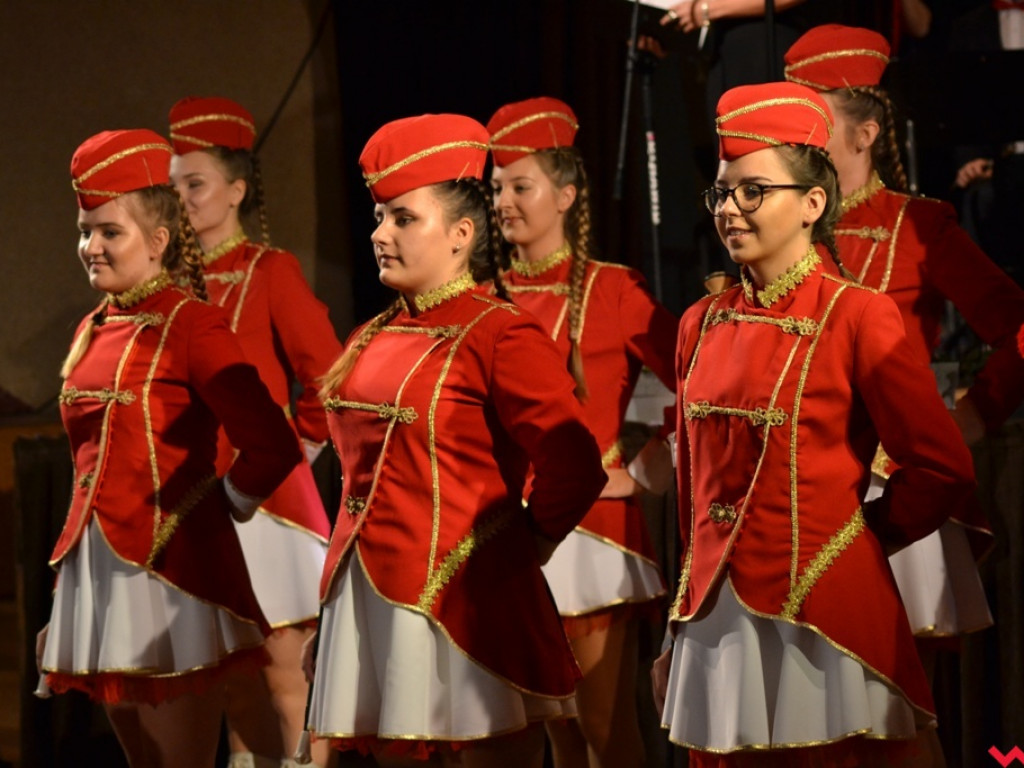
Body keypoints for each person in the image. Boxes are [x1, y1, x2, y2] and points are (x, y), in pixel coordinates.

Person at [651, 82, 977, 766]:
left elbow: (941, 469)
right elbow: (693, 503)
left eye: (753, 192)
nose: (730, 210)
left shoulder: (858, 315)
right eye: (722, 193)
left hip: (825, 618)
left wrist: (856, 541)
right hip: (715, 622)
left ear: (812, 203)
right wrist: (675, 630)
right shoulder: (698, 323)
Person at [300, 113, 607, 768]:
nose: (380, 234)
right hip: (371, 599)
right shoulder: (368, 336)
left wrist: (524, 547)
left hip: (470, 604)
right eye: (379, 217)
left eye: (403, 218)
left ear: (462, 234)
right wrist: (334, 614)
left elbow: (575, 464)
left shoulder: (499, 333)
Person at [36, 129, 301, 767]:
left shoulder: (192, 324)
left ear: (158, 240)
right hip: (100, 575)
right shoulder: (91, 327)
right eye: (85, 232)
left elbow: (271, 442)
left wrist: (223, 503)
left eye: (110, 232)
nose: (91, 247)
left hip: (171, 576)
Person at [784, 24, 1021, 646]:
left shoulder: (918, 225)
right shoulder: (780, 230)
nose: (795, 138)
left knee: (901, 691)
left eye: (813, 121)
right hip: (796, 490)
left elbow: (1018, 328)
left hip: (891, 490)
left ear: (864, 134)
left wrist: (977, 413)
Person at [487, 96, 677, 768]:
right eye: (496, 188)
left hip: (591, 531)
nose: (504, 202)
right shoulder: (484, 296)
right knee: (550, 730)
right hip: (505, 527)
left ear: (566, 195)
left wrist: (646, 468)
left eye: (521, 186)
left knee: (601, 726)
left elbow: (704, 380)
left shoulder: (613, 289)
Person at [168, 95, 341, 768]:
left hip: (264, 506)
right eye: (174, 186)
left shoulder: (269, 271)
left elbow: (327, 376)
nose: (182, 199)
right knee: (232, 686)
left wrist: (293, 454)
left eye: (196, 183)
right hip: (195, 503)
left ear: (236, 190)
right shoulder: (169, 285)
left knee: (284, 678)